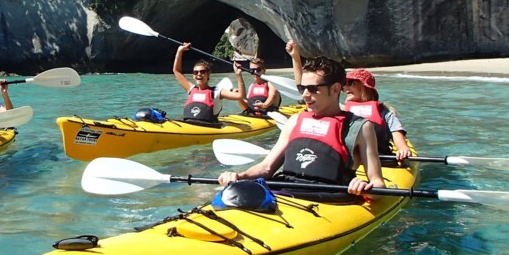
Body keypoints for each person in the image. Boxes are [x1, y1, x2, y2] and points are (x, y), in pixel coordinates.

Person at [218, 51, 386, 197]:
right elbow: (267, 168)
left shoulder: (360, 128)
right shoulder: (294, 121)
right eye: (302, 88)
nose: (305, 95)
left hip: (332, 200)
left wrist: (365, 187)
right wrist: (239, 176)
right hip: (284, 192)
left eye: (313, 89)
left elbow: (378, 184)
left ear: (335, 89)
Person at [343, 68, 411, 161]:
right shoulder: (341, 110)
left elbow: (396, 133)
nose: (345, 88)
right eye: (344, 84)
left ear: (364, 86)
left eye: (351, 83)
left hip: (379, 158)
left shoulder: (385, 112)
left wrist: (403, 149)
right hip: (349, 159)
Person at [173, 43, 245, 125]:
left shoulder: (217, 92)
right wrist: (179, 51)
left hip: (209, 126)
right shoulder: (191, 89)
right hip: (189, 124)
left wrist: (238, 74)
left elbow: (240, 96)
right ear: (193, 75)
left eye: (202, 72)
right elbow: (177, 71)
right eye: (195, 72)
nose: (199, 74)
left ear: (208, 74)